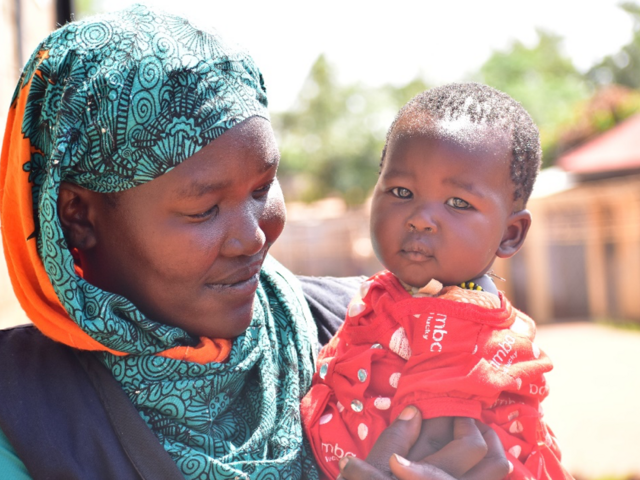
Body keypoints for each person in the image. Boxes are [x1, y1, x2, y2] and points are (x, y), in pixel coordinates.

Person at [0, 5, 509, 480]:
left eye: (263, 187)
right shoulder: (20, 416)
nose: (252, 236)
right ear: (78, 215)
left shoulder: (371, 332)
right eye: (204, 209)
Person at [301, 84, 573, 479]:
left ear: (510, 234)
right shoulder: (393, 294)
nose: (420, 218)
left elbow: (421, 456)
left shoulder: (457, 324)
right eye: (401, 191)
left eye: (459, 203)